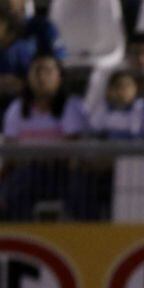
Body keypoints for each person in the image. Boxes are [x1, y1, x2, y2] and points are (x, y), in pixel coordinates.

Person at [1, 53, 88, 220]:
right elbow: (10, 152)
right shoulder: (16, 109)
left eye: (48, 71)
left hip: (59, 175)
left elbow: (71, 151)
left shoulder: (71, 106)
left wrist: (34, 157)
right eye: (36, 71)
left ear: (59, 77)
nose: (41, 77)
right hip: (25, 172)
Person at [90, 69, 144, 140]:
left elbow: (138, 134)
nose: (124, 90)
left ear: (136, 88)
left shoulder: (140, 107)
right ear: (111, 89)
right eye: (119, 85)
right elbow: (94, 131)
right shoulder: (102, 107)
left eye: (128, 85)